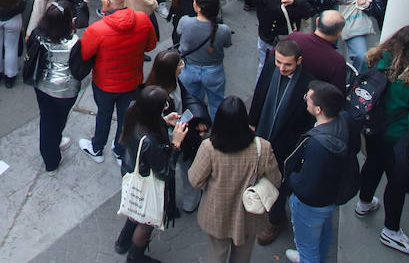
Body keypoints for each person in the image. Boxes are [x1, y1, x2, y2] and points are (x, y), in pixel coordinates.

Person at [353, 24, 409, 256]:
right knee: (397, 183)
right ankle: (391, 231)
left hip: (373, 129)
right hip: (399, 138)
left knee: (372, 164)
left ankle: (364, 202)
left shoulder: (381, 59)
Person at [189, 95, 283, 263]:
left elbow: (195, 180)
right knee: (243, 256)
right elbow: (276, 179)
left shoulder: (209, 148)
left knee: (217, 254)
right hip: (250, 213)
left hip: (217, 213)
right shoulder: (263, 147)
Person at [78, 0, 158, 164]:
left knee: (103, 115)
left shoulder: (97, 30)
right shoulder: (143, 20)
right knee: (126, 117)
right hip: (132, 81)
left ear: (106, 3)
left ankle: (97, 148)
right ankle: (120, 150)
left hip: (105, 84)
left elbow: (85, 54)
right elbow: (151, 45)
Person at [111, 86, 191, 263]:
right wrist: (176, 144)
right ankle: (135, 256)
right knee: (146, 221)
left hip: (131, 171)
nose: (166, 108)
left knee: (136, 208)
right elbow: (164, 172)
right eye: (163, 106)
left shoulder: (133, 111)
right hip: (146, 178)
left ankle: (123, 241)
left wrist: (163, 121)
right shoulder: (149, 142)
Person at [248, 38, 317, 245]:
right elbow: (260, 91)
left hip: (285, 144)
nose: (282, 67)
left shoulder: (308, 83)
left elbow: (306, 121)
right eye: (279, 62)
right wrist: (252, 122)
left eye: (287, 64)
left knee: (278, 182)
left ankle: (275, 220)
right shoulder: (271, 65)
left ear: (299, 61)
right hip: (262, 133)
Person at [284, 81, 358, 263]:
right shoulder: (345, 120)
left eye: (308, 99)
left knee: (307, 247)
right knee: (323, 233)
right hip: (331, 195)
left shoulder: (317, 144)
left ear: (318, 110)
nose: (305, 100)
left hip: (310, 205)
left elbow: (306, 186)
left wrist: (291, 177)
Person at [28, 0, 82, 173]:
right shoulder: (74, 42)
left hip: (42, 85)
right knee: (58, 120)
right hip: (66, 90)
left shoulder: (38, 35)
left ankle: (51, 150)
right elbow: (81, 66)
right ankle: (53, 149)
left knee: (47, 119)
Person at [308, 0, 385, 73]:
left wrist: (367, 3)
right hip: (331, 19)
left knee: (361, 55)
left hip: (354, 20)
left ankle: (356, 77)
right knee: (323, 51)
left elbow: (380, 3)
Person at [176, 0, 232, 119]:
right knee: (217, 103)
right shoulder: (223, 30)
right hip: (214, 71)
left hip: (189, 69)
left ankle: (192, 127)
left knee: (191, 102)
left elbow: (179, 33)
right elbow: (227, 44)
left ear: (198, 7)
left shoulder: (185, 22)